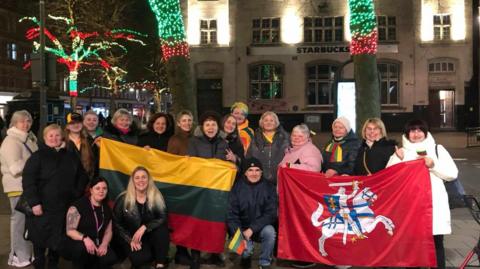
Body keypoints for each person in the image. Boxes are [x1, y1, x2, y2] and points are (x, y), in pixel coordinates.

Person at [386, 119, 458, 269]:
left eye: (420, 130)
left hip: (433, 205)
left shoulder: (438, 149)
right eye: (412, 130)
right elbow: (390, 178)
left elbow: (452, 173)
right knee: (412, 246)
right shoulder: (401, 153)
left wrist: (433, 165)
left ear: (425, 133)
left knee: (436, 242)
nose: (416, 134)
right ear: (407, 134)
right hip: (410, 207)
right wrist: (397, 160)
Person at [22, 124, 89, 269]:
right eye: (50, 135)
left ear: (62, 137)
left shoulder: (71, 155)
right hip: (42, 208)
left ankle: (53, 265)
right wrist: (34, 203)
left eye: (57, 135)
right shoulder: (37, 156)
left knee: (57, 241)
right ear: (45, 138)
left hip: (63, 208)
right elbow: (28, 180)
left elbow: (82, 176)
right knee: (39, 241)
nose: (54, 138)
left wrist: (76, 194)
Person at [187, 111, 233, 269]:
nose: (210, 127)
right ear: (202, 127)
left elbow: (227, 164)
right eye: (207, 124)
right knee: (197, 223)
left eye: (213, 124)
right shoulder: (194, 142)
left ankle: (215, 253)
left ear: (217, 127)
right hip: (199, 188)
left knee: (216, 223)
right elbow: (192, 164)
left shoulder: (223, 142)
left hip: (217, 190)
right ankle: (195, 256)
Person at [0, 110, 38, 267]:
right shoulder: (11, 141)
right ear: (14, 123)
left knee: (26, 222)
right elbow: (15, 167)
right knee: (19, 221)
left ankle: (25, 253)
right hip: (17, 186)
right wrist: (34, 163)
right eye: (22, 121)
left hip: (27, 185)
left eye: (28, 121)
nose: (26, 124)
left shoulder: (27, 139)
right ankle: (17, 255)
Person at [113, 166, 170, 269]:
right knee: (140, 260)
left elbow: (163, 217)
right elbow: (117, 224)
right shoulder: (123, 199)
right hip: (131, 237)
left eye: (144, 177)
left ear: (148, 180)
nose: (141, 180)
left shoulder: (156, 196)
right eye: (137, 178)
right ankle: (151, 255)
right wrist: (129, 240)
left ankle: (160, 263)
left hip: (149, 234)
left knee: (162, 229)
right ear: (133, 181)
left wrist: (145, 227)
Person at [227, 158, 277, 269]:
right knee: (246, 250)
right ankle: (246, 257)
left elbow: (271, 213)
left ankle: (265, 262)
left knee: (270, 232)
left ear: (261, 172)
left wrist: (252, 229)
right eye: (250, 170)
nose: (254, 173)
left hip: (261, 227)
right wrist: (240, 234)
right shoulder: (236, 188)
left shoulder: (269, 187)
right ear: (245, 172)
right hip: (242, 229)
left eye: (257, 170)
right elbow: (231, 216)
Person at [64, 177, 117, 269]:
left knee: (111, 258)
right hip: (79, 242)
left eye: (104, 188)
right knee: (81, 251)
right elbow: (70, 231)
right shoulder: (77, 206)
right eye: (97, 188)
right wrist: (85, 238)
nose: (101, 191)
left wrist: (104, 244)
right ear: (91, 190)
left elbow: (108, 231)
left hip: (98, 243)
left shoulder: (107, 208)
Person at [246, 111, 290, 184]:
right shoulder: (255, 138)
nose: (268, 123)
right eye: (266, 120)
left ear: (276, 123)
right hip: (260, 178)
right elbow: (248, 157)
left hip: (281, 178)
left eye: (271, 120)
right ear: (262, 123)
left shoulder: (286, 137)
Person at [65, 112, 96, 179]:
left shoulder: (89, 141)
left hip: (86, 180)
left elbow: (94, 162)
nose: (76, 125)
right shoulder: (61, 142)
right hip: (66, 180)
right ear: (67, 126)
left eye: (78, 122)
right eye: (72, 123)